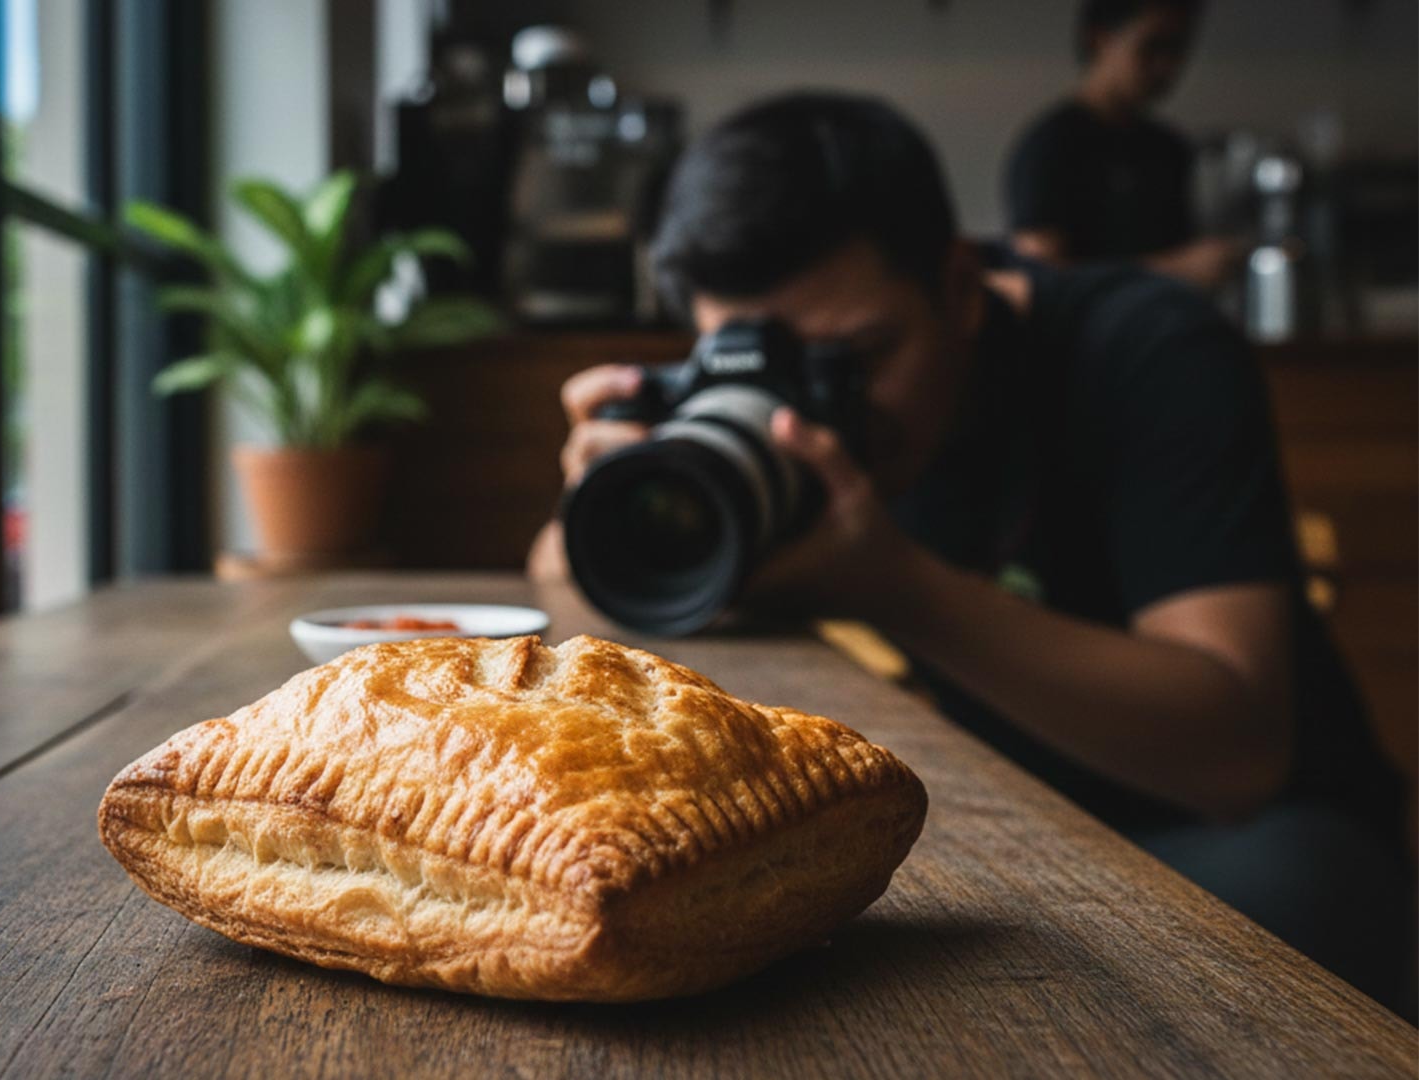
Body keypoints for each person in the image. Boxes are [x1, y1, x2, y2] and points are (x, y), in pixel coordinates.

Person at [529, 92, 1413, 1017]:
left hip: (1261, 833)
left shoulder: (1146, 349)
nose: (816, 408)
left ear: (959, 286)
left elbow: (1237, 756)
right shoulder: (771, 435)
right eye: (754, 365)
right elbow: (567, 583)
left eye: (855, 358)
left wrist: (894, 587)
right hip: (1012, 811)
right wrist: (613, 493)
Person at [1002, 0, 1242, 288]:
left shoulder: (1168, 148)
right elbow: (1040, 279)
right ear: (1101, 39)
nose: (1166, 66)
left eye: (1178, 49)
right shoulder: (1051, 147)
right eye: (1152, 45)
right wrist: (1174, 269)